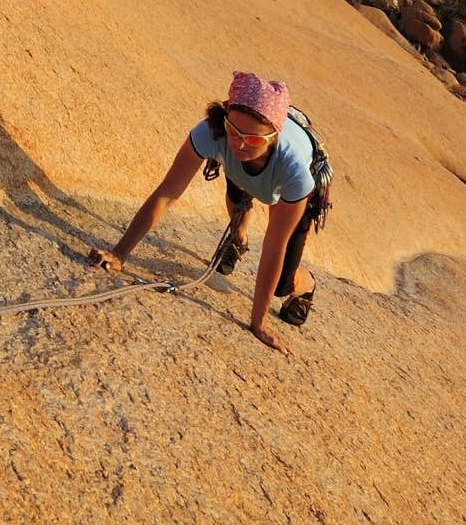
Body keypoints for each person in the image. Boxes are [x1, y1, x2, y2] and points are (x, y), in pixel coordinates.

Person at [89, 70, 327, 353]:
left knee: (283, 283)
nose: (239, 144)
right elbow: (167, 193)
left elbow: (275, 244)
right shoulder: (214, 132)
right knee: (238, 190)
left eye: (252, 140)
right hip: (247, 174)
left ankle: (306, 285)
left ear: (274, 137)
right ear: (225, 117)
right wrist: (119, 254)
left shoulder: (294, 169)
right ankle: (238, 238)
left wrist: (258, 323)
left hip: (285, 183)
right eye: (234, 132)